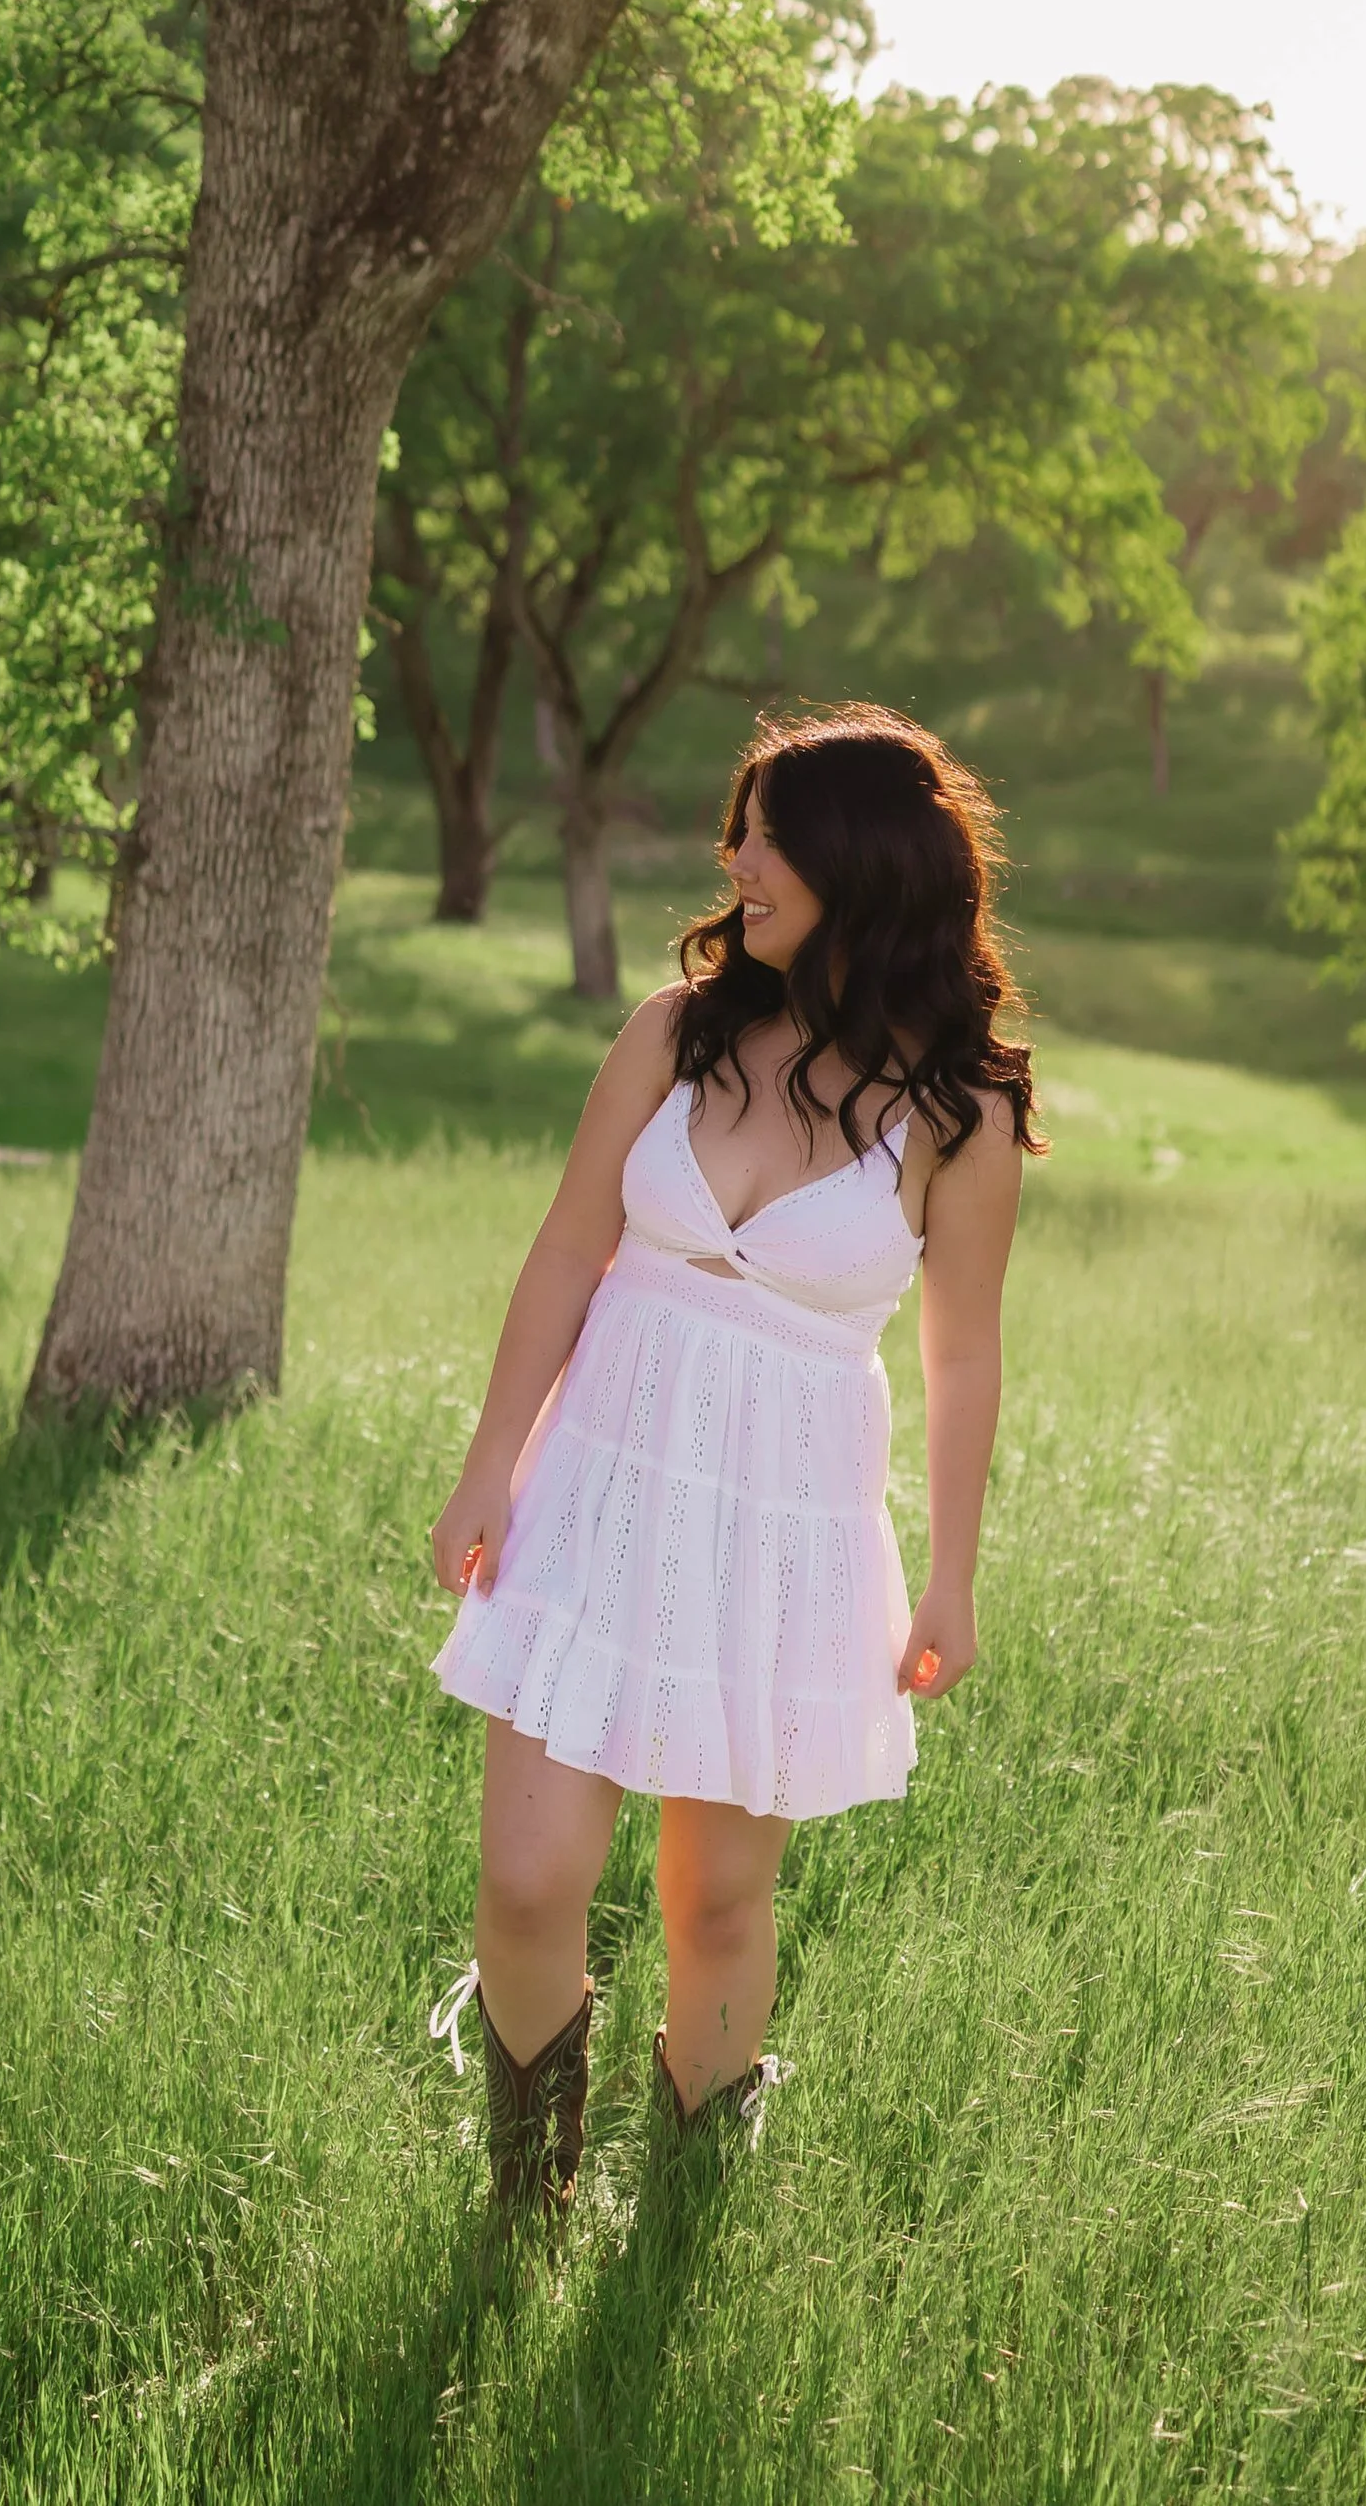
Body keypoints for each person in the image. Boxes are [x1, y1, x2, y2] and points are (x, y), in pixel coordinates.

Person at [426, 704, 1035, 2213]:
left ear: (861, 865)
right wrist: (491, 1461)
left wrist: (950, 1576)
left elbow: (961, 1359)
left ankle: (687, 2211)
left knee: (714, 1896)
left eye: (768, 836)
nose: (736, 861)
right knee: (526, 1878)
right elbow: (571, 1248)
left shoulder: (965, 1113)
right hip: (600, 1485)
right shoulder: (674, 1031)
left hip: (780, 1521)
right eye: (739, 832)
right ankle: (527, 2197)